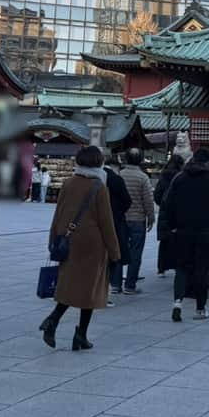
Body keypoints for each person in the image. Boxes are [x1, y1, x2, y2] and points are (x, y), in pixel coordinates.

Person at [40, 145, 121, 350]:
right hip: (93, 245)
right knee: (89, 290)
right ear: (98, 162)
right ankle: (80, 335)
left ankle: (54, 320)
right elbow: (106, 222)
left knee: (70, 285)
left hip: (70, 241)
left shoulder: (68, 183)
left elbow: (58, 214)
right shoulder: (99, 186)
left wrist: (53, 240)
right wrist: (115, 251)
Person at [165, 147, 209, 321]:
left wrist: (173, 225)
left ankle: (177, 302)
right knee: (202, 268)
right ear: (208, 161)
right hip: (205, 229)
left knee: (182, 267)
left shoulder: (180, 178)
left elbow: (168, 204)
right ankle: (200, 308)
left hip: (183, 229)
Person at [119, 148, 155, 295]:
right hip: (138, 219)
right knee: (136, 252)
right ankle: (130, 285)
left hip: (121, 218)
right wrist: (151, 217)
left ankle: (115, 284)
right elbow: (148, 200)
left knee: (119, 250)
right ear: (140, 160)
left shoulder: (119, 175)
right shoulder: (142, 177)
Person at [106, 164, 132, 298]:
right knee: (114, 255)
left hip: (89, 225)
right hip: (115, 222)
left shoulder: (84, 179)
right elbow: (127, 201)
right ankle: (113, 286)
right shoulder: (116, 179)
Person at [153, 156, 182, 277]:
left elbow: (157, 195)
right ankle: (175, 265)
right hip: (177, 212)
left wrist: (163, 204)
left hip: (164, 212)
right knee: (177, 241)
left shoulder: (163, 176)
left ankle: (161, 268)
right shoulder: (180, 176)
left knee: (164, 242)